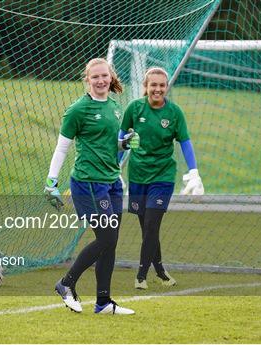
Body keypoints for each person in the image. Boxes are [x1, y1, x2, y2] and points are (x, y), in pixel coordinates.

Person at [44, 58, 139, 315]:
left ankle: (103, 303)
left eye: (104, 76)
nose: (100, 80)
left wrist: (125, 143)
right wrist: (51, 182)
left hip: (112, 183)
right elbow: (62, 147)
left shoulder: (115, 108)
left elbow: (111, 144)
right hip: (87, 184)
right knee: (107, 237)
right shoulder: (78, 110)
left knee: (110, 242)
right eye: (95, 77)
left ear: (110, 77)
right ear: (87, 79)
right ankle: (66, 284)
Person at [120, 67, 204, 290]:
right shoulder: (134, 109)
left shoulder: (175, 113)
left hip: (163, 176)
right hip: (138, 176)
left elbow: (185, 142)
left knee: (151, 224)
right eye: (153, 85)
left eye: (161, 85)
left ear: (166, 87)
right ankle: (159, 270)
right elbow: (121, 140)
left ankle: (140, 275)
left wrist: (194, 171)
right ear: (146, 87)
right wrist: (115, 169)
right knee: (148, 228)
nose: (157, 89)